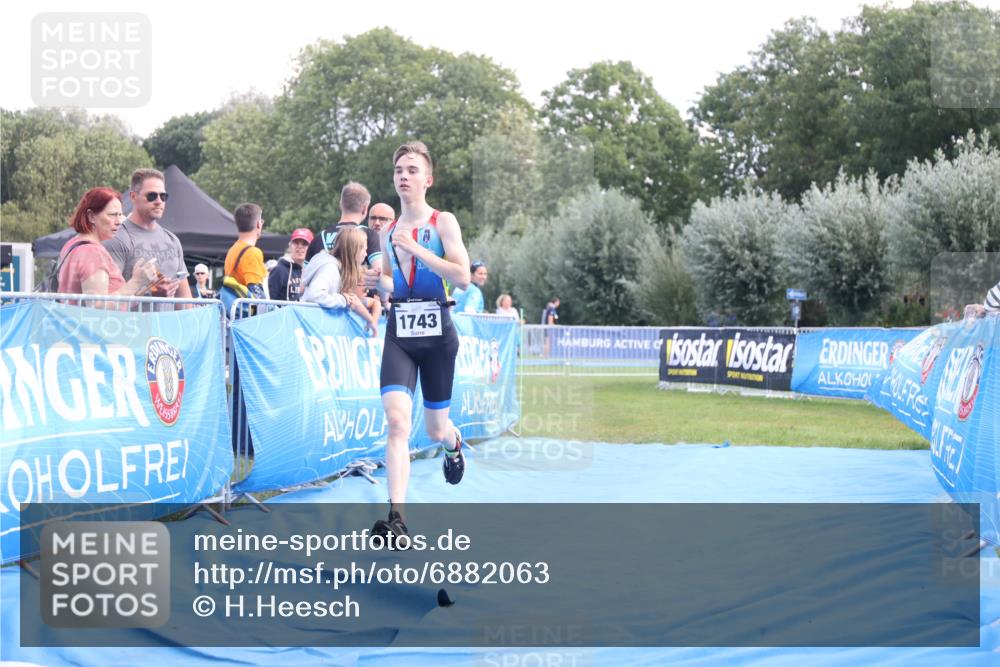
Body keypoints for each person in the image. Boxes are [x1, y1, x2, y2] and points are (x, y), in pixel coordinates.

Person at [363, 141, 471, 538]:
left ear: (428, 179)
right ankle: (398, 518)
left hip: (438, 334)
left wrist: (418, 251)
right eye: (398, 171)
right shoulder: (389, 231)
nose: (403, 176)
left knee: (437, 430)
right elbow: (395, 285)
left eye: (411, 170)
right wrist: (378, 283)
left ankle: (452, 444)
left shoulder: (443, 222)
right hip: (401, 335)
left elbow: (460, 276)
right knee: (396, 422)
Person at [104, 168, 191, 300]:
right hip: (131, 320)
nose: (159, 201)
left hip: (168, 321)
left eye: (163, 196)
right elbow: (107, 300)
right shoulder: (117, 238)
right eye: (151, 196)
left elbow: (184, 298)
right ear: (133, 197)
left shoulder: (172, 240)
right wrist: (152, 294)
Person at [56, 187, 157, 300]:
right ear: (91, 216)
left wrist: (143, 283)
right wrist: (135, 282)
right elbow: (98, 307)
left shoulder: (72, 244)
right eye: (113, 215)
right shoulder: (92, 252)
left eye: (120, 215)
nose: (119, 222)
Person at [301, 227, 379, 336]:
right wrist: (342, 300)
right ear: (354, 250)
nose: (366, 254)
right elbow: (315, 295)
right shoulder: (330, 268)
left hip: (315, 327)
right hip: (309, 328)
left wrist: (371, 321)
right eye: (364, 250)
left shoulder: (339, 268)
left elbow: (353, 301)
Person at [306, 182, 382, 270]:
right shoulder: (369, 235)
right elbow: (379, 271)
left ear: (341, 204)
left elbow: (304, 280)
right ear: (365, 209)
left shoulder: (318, 238)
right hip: (355, 283)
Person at [222, 203, 267, 300]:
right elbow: (257, 294)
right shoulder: (252, 252)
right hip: (249, 314)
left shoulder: (233, 249)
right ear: (258, 224)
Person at [268, 228, 312, 302]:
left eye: (305, 243)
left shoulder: (313, 271)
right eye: (296, 243)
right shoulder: (279, 270)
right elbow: (271, 301)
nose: (300, 246)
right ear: (290, 245)